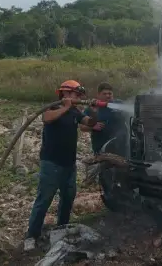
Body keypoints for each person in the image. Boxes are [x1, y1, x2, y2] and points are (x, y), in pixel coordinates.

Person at [24, 80, 95, 251]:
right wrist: (65, 107)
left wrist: (93, 111)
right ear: (65, 94)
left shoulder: (75, 112)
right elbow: (46, 119)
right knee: (44, 200)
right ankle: (31, 236)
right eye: (75, 95)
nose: (78, 98)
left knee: (68, 197)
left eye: (79, 95)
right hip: (51, 163)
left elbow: (89, 123)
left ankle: (61, 229)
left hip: (69, 164)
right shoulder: (53, 108)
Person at [80, 82, 125, 155]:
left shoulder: (120, 104)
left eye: (110, 93)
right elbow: (82, 127)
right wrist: (92, 126)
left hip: (121, 146)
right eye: (104, 94)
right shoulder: (92, 108)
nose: (108, 96)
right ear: (98, 95)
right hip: (100, 148)